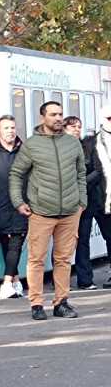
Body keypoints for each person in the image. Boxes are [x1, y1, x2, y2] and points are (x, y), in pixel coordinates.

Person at [10, 101, 86, 320]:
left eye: (60, 114)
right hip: (41, 211)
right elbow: (16, 174)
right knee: (36, 259)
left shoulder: (73, 143)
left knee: (63, 260)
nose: (58, 118)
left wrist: (82, 201)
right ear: (43, 117)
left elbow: (81, 173)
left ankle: (61, 302)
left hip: (70, 211)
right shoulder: (32, 145)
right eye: (53, 114)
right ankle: (36, 303)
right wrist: (18, 201)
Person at [0, 116, 27, 298]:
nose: (10, 131)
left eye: (13, 127)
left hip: (21, 205)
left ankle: (6, 283)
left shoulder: (25, 150)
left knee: (16, 243)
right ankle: (16, 280)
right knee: (6, 244)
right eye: (6, 128)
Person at [76, 106, 111, 289]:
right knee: (82, 240)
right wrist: (96, 174)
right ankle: (84, 279)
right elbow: (84, 170)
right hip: (90, 199)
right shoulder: (89, 143)